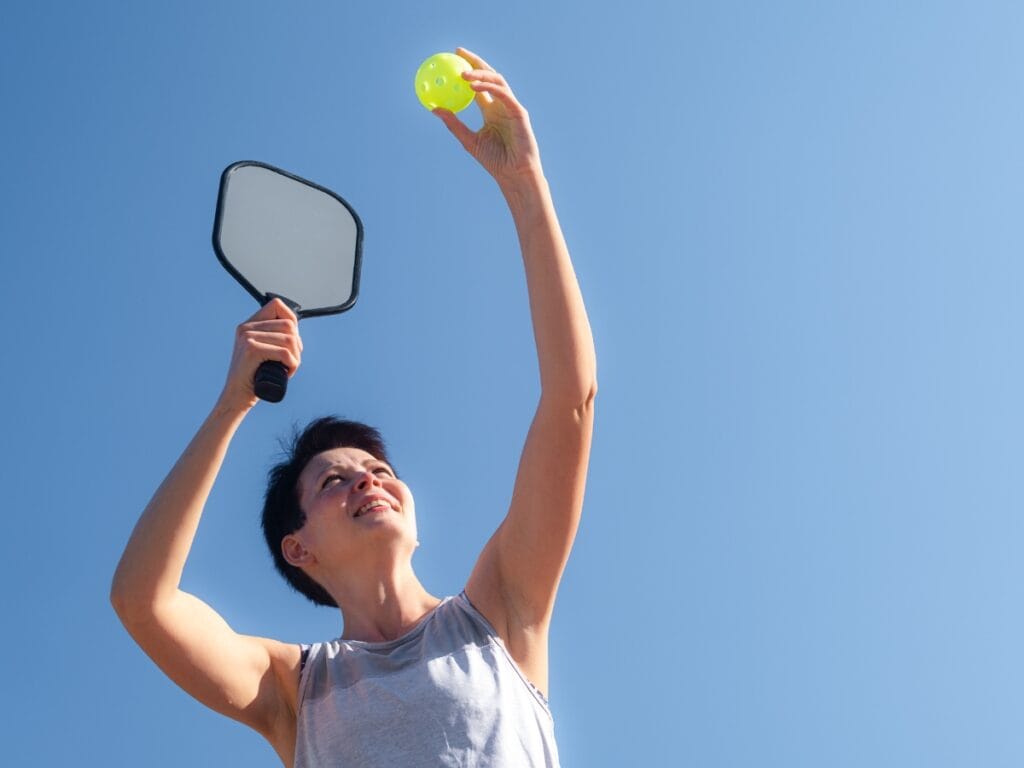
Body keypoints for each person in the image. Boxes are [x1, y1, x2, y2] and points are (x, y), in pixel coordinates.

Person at [111, 47, 596, 768]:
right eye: (334, 481)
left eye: (376, 468)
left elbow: (570, 402)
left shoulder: (501, 612)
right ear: (298, 548)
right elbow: (143, 603)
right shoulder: (294, 689)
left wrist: (526, 186)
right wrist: (229, 407)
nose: (369, 479)